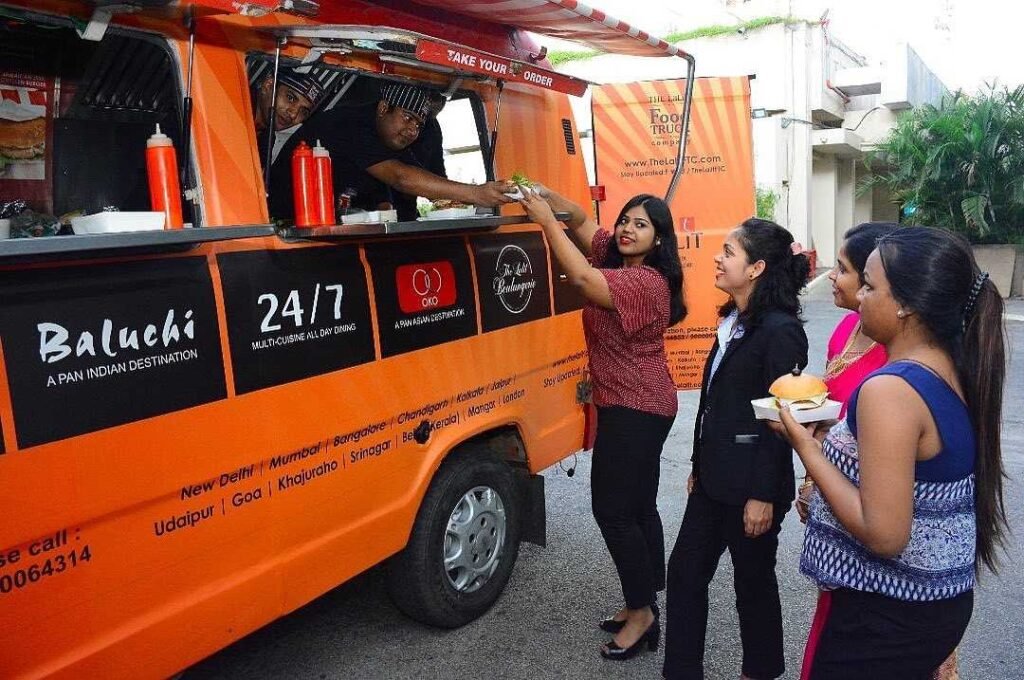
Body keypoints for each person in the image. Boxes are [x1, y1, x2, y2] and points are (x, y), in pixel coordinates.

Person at [774, 227, 1008, 678]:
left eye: (869, 285)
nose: (857, 294)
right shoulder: (948, 368)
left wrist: (807, 448)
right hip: (930, 606)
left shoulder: (890, 389)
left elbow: (885, 534)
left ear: (906, 304)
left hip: (884, 615)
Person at [518, 187, 685, 661]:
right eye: (626, 220)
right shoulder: (620, 257)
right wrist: (541, 194)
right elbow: (577, 216)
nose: (628, 230)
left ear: (659, 240)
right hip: (634, 403)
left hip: (638, 408)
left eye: (642, 225)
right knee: (637, 506)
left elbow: (583, 278)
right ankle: (649, 592)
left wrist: (543, 219)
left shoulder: (646, 282)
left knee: (612, 511)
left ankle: (642, 612)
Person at [663, 218, 810, 680]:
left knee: (753, 583)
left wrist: (763, 494)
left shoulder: (780, 331)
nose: (717, 257)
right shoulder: (734, 320)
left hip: (753, 487)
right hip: (712, 479)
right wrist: (696, 464)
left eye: (728, 251)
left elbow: (777, 421)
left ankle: (761, 671)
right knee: (685, 575)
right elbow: (714, 404)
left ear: (756, 268)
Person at [796, 222, 895, 680]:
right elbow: (833, 409)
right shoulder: (846, 329)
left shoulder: (899, 356)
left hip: (870, 503)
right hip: (831, 493)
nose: (833, 277)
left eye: (844, 269)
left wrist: (811, 453)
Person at [275, 81, 513, 221]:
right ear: (383, 108)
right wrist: (476, 194)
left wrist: (466, 202)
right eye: (408, 118)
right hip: (284, 227)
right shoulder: (348, 124)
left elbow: (423, 178)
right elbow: (402, 177)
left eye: (419, 125)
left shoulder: (391, 137)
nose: (412, 131)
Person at [251, 67, 326, 167]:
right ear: (268, 85)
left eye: (303, 112)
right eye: (290, 98)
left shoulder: (267, 141)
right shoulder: (234, 106)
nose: (293, 114)